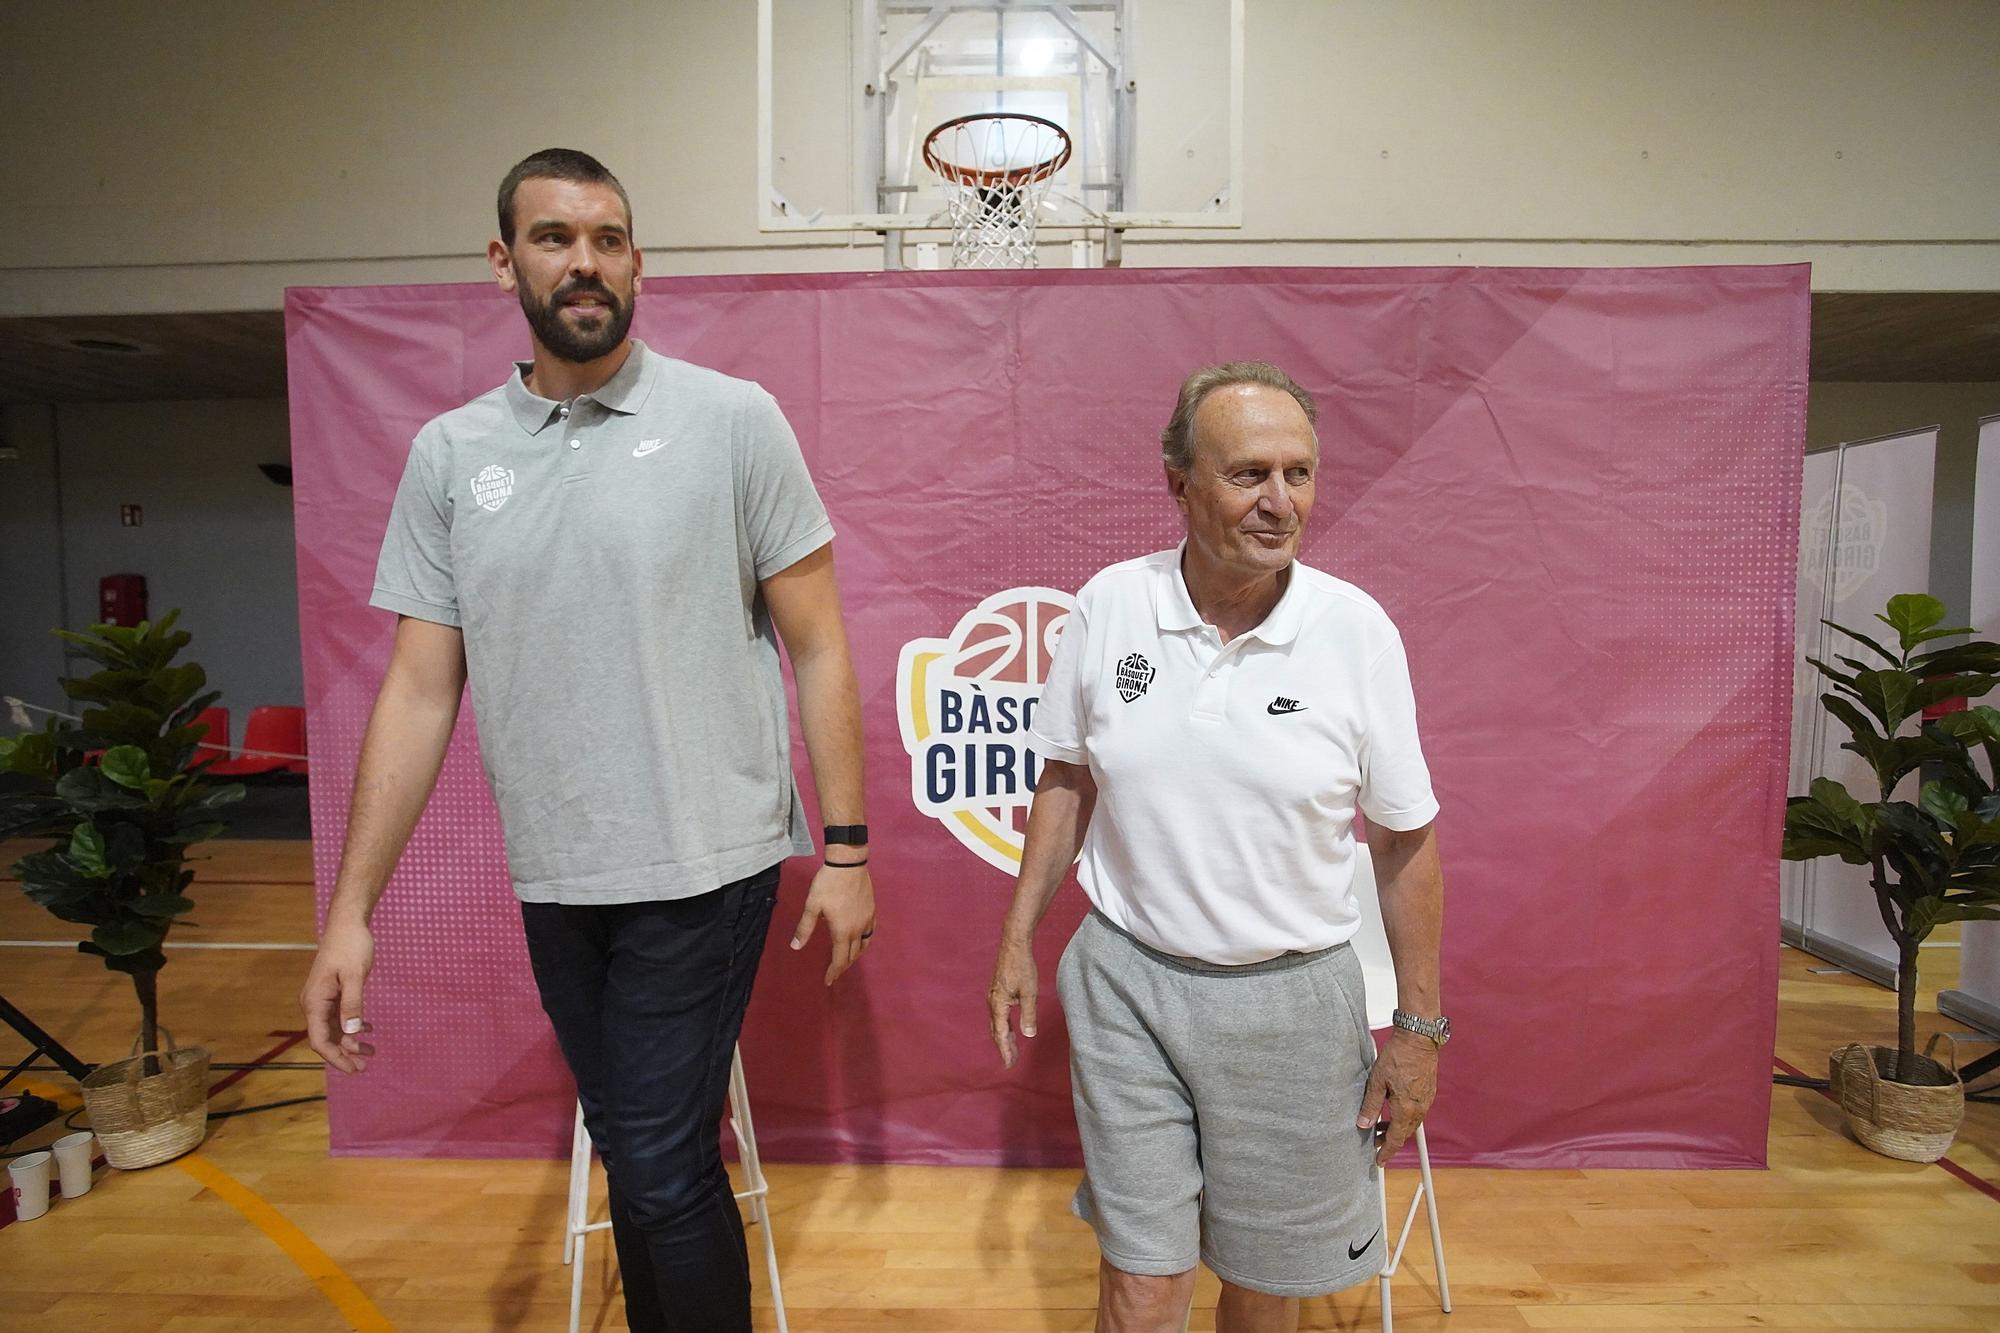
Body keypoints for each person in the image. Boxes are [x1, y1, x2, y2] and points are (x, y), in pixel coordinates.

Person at [299, 148, 876, 1333]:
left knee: (658, 1167)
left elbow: (817, 644)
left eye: (608, 239)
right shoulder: (453, 456)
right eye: (556, 238)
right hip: (558, 873)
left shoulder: (729, 420)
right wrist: (351, 909)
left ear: (637, 263)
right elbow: (417, 689)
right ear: (503, 261)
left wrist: (850, 850)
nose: (585, 262)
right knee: (639, 1152)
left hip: (704, 862)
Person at [987, 361, 1448, 1333]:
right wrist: (1018, 935)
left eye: (1299, 473)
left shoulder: (1353, 632)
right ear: (1178, 480)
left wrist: (1416, 1029)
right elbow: (1066, 778)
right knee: (1145, 1279)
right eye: (1247, 474)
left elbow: (1403, 839)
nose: (1278, 502)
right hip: (1125, 985)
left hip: (1292, 1002)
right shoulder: (1108, 605)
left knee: (1265, 1282)